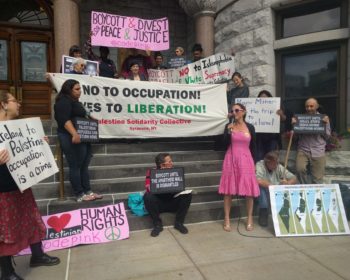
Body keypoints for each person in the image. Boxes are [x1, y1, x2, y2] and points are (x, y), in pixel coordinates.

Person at [0, 91, 60, 280]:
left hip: (21, 183)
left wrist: (38, 144)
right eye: (14, 101)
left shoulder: (21, 127)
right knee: (6, 228)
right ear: (3, 104)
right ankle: (7, 272)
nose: (18, 104)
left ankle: (37, 255)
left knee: (31, 218)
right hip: (3, 188)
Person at [54, 79, 102, 202]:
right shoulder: (63, 102)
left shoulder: (75, 101)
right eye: (77, 89)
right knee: (75, 165)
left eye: (80, 88)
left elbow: (83, 113)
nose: (80, 91)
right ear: (68, 90)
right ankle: (79, 194)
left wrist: (92, 118)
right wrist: (74, 133)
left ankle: (88, 191)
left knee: (84, 165)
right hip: (71, 137)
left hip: (83, 137)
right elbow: (64, 120)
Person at [218, 103, 259, 232]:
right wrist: (228, 132)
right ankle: (226, 218)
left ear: (244, 112)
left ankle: (249, 218)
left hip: (246, 159)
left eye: (237, 110)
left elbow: (254, 146)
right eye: (232, 110)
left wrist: (255, 162)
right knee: (228, 190)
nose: (234, 112)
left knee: (249, 191)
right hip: (231, 158)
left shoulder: (250, 127)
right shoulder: (228, 126)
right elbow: (223, 144)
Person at [143, 153, 192, 237]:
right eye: (169, 161)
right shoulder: (151, 172)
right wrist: (160, 177)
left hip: (172, 201)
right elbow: (148, 188)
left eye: (171, 161)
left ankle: (179, 223)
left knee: (187, 195)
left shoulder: (175, 172)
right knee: (147, 196)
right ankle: (157, 225)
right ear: (162, 164)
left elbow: (180, 186)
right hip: (159, 203)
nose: (172, 163)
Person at [292, 97, 331, 184]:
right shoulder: (301, 119)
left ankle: (316, 194)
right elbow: (296, 137)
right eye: (307, 106)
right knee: (299, 169)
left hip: (318, 150)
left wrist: (324, 126)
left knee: (317, 178)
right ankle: (305, 188)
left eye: (311, 106)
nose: (309, 108)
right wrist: (295, 126)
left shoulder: (323, 118)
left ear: (316, 106)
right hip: (303, 149)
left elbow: (328, 136)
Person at [256, 151, 297, 227]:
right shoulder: (260, 165)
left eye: (277, 163)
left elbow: (294, 178)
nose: (276, 165)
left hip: (275, 191)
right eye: (274, 163)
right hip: (265, 190)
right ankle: (263, 214)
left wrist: (287, 184)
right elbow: (258, 180)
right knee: (261, 188)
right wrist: (275, 186)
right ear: (268, 162)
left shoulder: (278, 166)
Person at [255, 90, 286, 161]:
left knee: (271, 159)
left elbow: (284, 119)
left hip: (272, 138)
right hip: (259, 139)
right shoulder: (254, 108)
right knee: (259, 159)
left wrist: (281, 114)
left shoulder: (276, 107)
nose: (263, 101)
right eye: (261, 99)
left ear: (270, 99)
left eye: (265, 99)